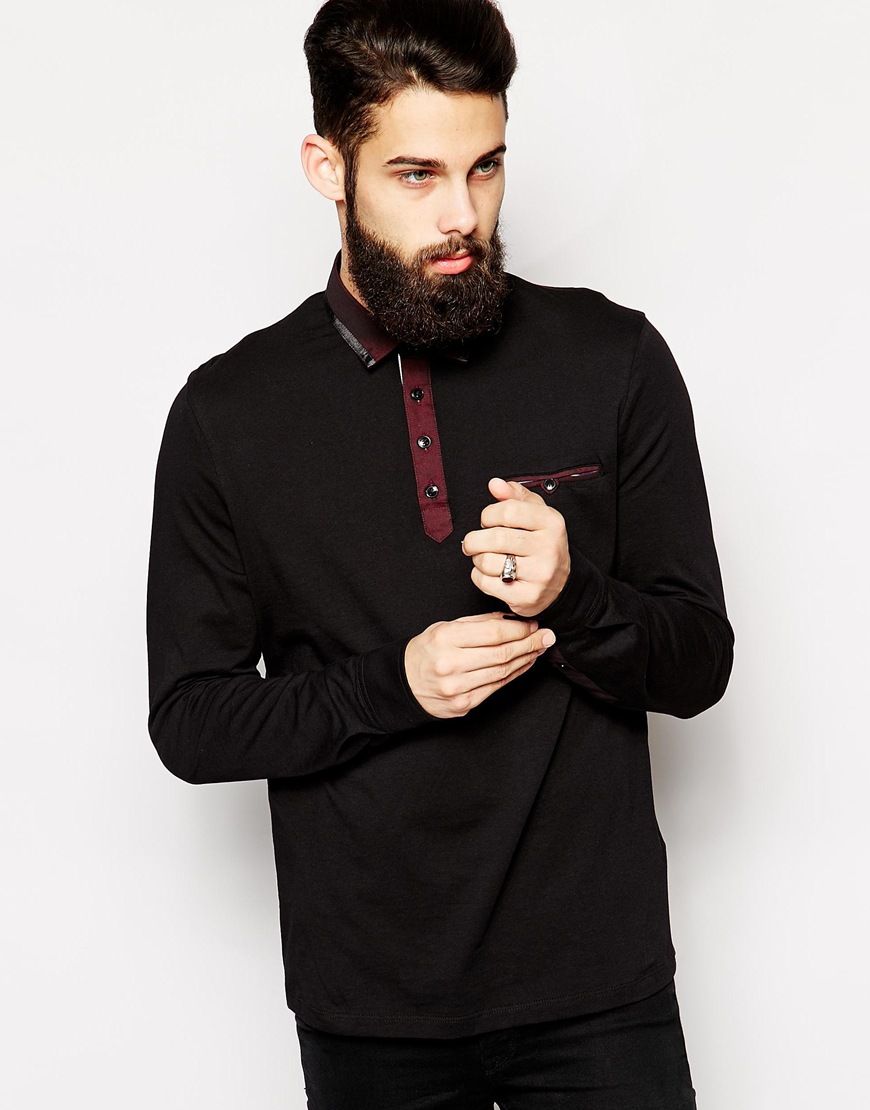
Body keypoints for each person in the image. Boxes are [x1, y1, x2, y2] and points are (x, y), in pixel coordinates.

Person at [145, 0, 734, 1105]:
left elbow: (700, 663)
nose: (462, 215)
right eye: (416, 174)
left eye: (486, 167)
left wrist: (576, 595)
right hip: (371, 1005)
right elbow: (192, 720)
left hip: (600, 989)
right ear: (329, 168)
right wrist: (394, 686)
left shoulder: (614, 357)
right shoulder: (228, 414)